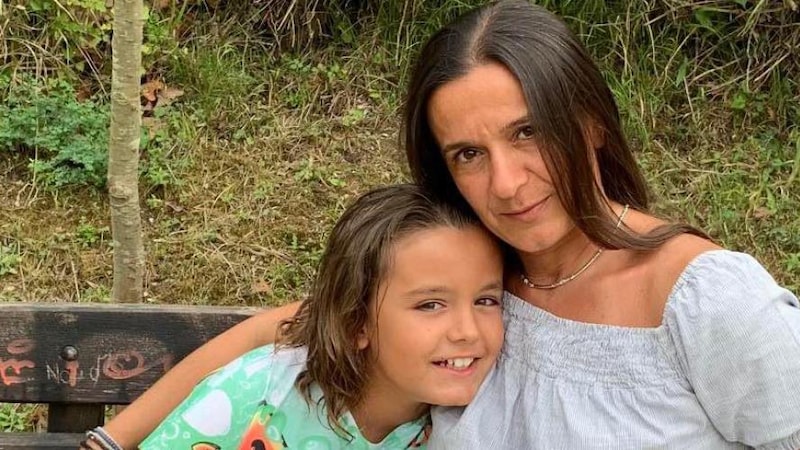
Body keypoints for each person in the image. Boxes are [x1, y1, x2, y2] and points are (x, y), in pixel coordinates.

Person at [87, 1, 800, 448]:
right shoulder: (476, 273)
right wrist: (109, 442)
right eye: (468, 154)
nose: (507, 184)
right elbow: (288, 326)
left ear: (591, 126)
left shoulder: (705, 300)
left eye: (528, 133)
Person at [82, 184, 504, 449]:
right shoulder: (262, 395)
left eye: (487, 300)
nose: (467, 331)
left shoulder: (451, 425)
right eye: (430, 305)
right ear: (355, 321)